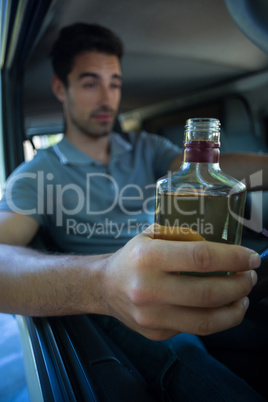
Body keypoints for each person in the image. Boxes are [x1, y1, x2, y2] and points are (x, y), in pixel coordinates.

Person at [0, 23, 267, 400]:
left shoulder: (147, 149)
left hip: (193, 279)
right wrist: (104, 283)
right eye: (91, 83)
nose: (107, 97)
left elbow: (202, 169)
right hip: (122, 311)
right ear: (61, 88)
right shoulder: (38, 174)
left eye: (115, 83)